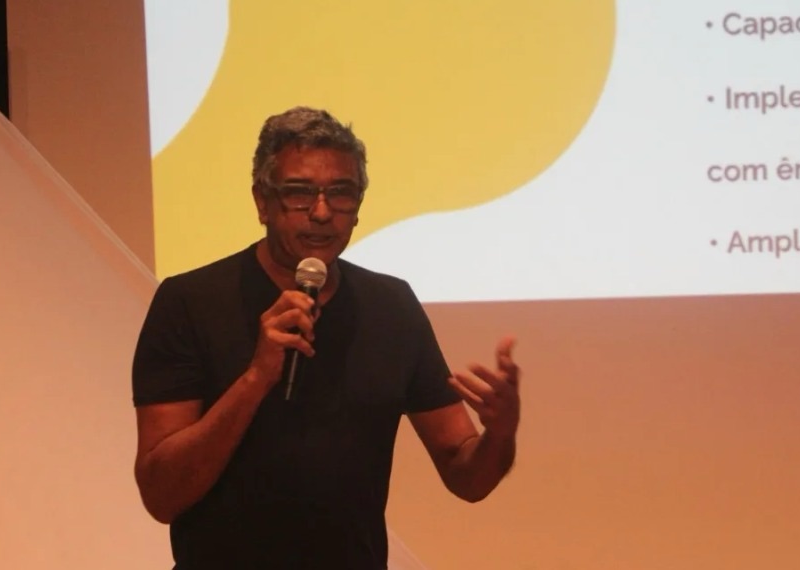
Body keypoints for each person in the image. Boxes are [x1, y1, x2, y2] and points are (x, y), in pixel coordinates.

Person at [131, 106, 520, 569]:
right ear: (262, 201)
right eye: (299, 193)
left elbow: (466, 476)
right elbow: (161, 494)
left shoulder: (391, 306)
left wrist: (500, 435)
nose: (321, 212)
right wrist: (256, 378)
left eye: (341, 193)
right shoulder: (189, 302)